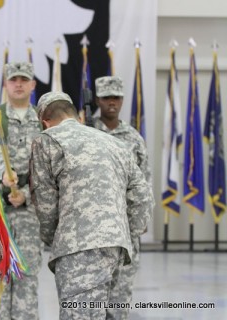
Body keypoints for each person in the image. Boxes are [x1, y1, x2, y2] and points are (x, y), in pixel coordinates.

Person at [30, 92, 153, 319]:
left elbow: (45, 203)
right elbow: (143, 195)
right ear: (76, 116)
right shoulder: (115, 143)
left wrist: (54, 239)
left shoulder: (46, 140)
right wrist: (126, 232)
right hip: (117, 247)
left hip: (77, 247)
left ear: (45, 122)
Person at [94, 75, 153, 319]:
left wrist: (140, 222)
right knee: (93, 297)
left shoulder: (133, 138)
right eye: (107, 97)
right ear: (97, 99)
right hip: (94, 229)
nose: (112, 102)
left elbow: (144, 183)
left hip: (125, 229)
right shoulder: (85, 132)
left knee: (120, 297)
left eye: (116, 97)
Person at [0, 62, 43, 320]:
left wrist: (25, 192)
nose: (18, 84)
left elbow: (48, 167)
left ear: (33, 85)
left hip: (29, 214)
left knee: (26, 280)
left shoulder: (43, 121)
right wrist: (2, 174)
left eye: (24, 79)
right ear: (6, 83)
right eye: (13, 79)